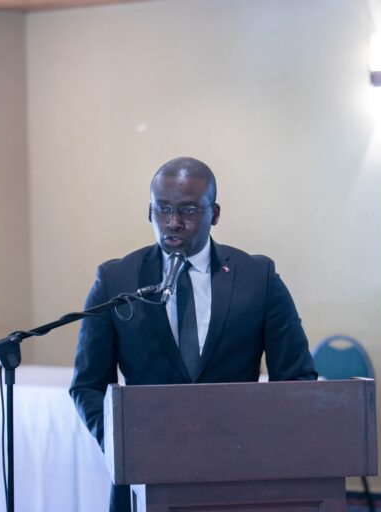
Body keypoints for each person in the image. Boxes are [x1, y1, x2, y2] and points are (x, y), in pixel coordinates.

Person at [70, 156, 317, 512]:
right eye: (162, 209)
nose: (173, 222)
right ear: (149, 211)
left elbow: (296, 378)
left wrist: (263, 444)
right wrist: (121, 444)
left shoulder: (257, 278)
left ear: (214, 214)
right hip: (145, 474)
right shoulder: (116, 280)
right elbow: (87, 385)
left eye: (188, 210)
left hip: (239, 473)